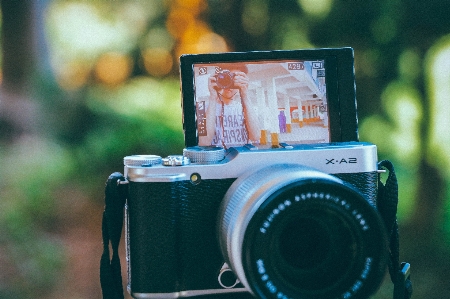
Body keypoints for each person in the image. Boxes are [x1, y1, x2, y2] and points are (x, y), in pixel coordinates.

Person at [198, 63, 260, 148]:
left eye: (235, 79)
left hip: (242, 158)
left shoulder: (248, 108)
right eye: (227, 78)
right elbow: (204, 143)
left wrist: (245, 94)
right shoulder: (201, 108)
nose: (230, 83)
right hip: (217, 158)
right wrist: (212, 97)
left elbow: (255, 136)